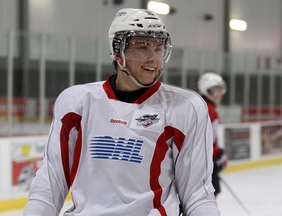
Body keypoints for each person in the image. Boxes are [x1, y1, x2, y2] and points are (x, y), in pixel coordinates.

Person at [24, 8, 220, 216]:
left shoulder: (185, 106)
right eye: (142, 47)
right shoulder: (77, 102)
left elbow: (198, 195)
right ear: (117, 52)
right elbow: (51, 182)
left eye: (158, 48)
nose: (153, 58)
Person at [198, 72, 228, 197]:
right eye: (217, 89)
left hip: (207, 159)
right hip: (204, 162)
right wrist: (216, 154)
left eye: (221, 89)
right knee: (207, 198)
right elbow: (202, 139)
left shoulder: (208, 106)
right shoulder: (206, 109)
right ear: (207, 90)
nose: (220, 93)